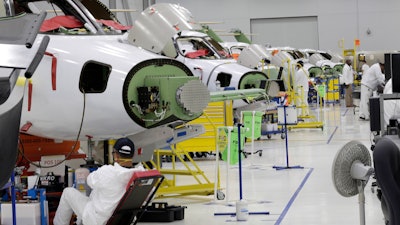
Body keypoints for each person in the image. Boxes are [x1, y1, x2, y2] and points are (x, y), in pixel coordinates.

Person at [53, 138, 144, 225]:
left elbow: (90, 181)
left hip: (97, 220)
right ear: (132, 155)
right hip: (122, 219)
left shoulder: (107, 171)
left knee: (68, 192)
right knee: (97, 193)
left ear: (116, 155)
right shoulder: (141, 175)